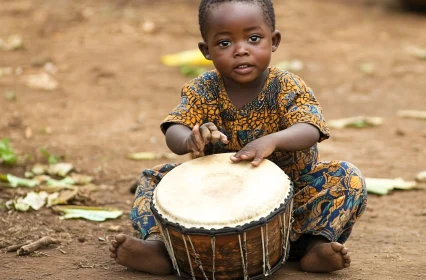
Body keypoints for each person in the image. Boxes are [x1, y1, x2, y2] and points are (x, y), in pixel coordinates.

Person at [109, 0, 367, 275]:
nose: (241, 50)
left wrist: (273, 140)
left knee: (346, 176)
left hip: (293, 204)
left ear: (274, 41)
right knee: (154, 178)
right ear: (206, 50)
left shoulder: (286, 85)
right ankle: (161, 248)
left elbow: (309, 127)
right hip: (215, 203)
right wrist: (189, 139)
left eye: (254, 38)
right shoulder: (203, 89)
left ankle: (316, 246)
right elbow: (174, 129)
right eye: (224, 43)